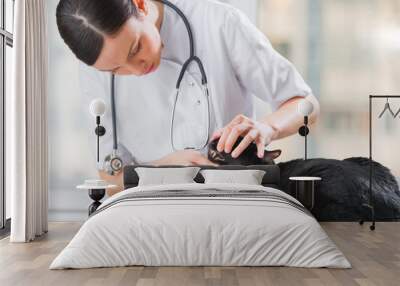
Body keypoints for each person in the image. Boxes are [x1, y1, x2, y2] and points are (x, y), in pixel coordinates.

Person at [56, 0, 320, 196]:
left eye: (136, 48)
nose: (136, 69)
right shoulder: (94, 71)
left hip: (233, 197)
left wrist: (267, 128)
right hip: (152, 205)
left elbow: (306, 105)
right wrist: (162, 169)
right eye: (116, 70)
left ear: (141, 5)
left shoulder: (218, 23)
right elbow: (109, 177)